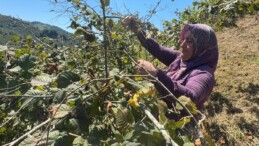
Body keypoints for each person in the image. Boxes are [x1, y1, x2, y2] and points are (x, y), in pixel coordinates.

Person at [121, 16, 219, 112]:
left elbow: (191, 99)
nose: (182, 44)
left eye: (190, 41)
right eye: (184, 39)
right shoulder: (179, 59)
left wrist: (156, 74)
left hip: (178, 122)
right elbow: (157, 49)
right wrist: (136, 27)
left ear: (202, 46)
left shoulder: (204, 74)